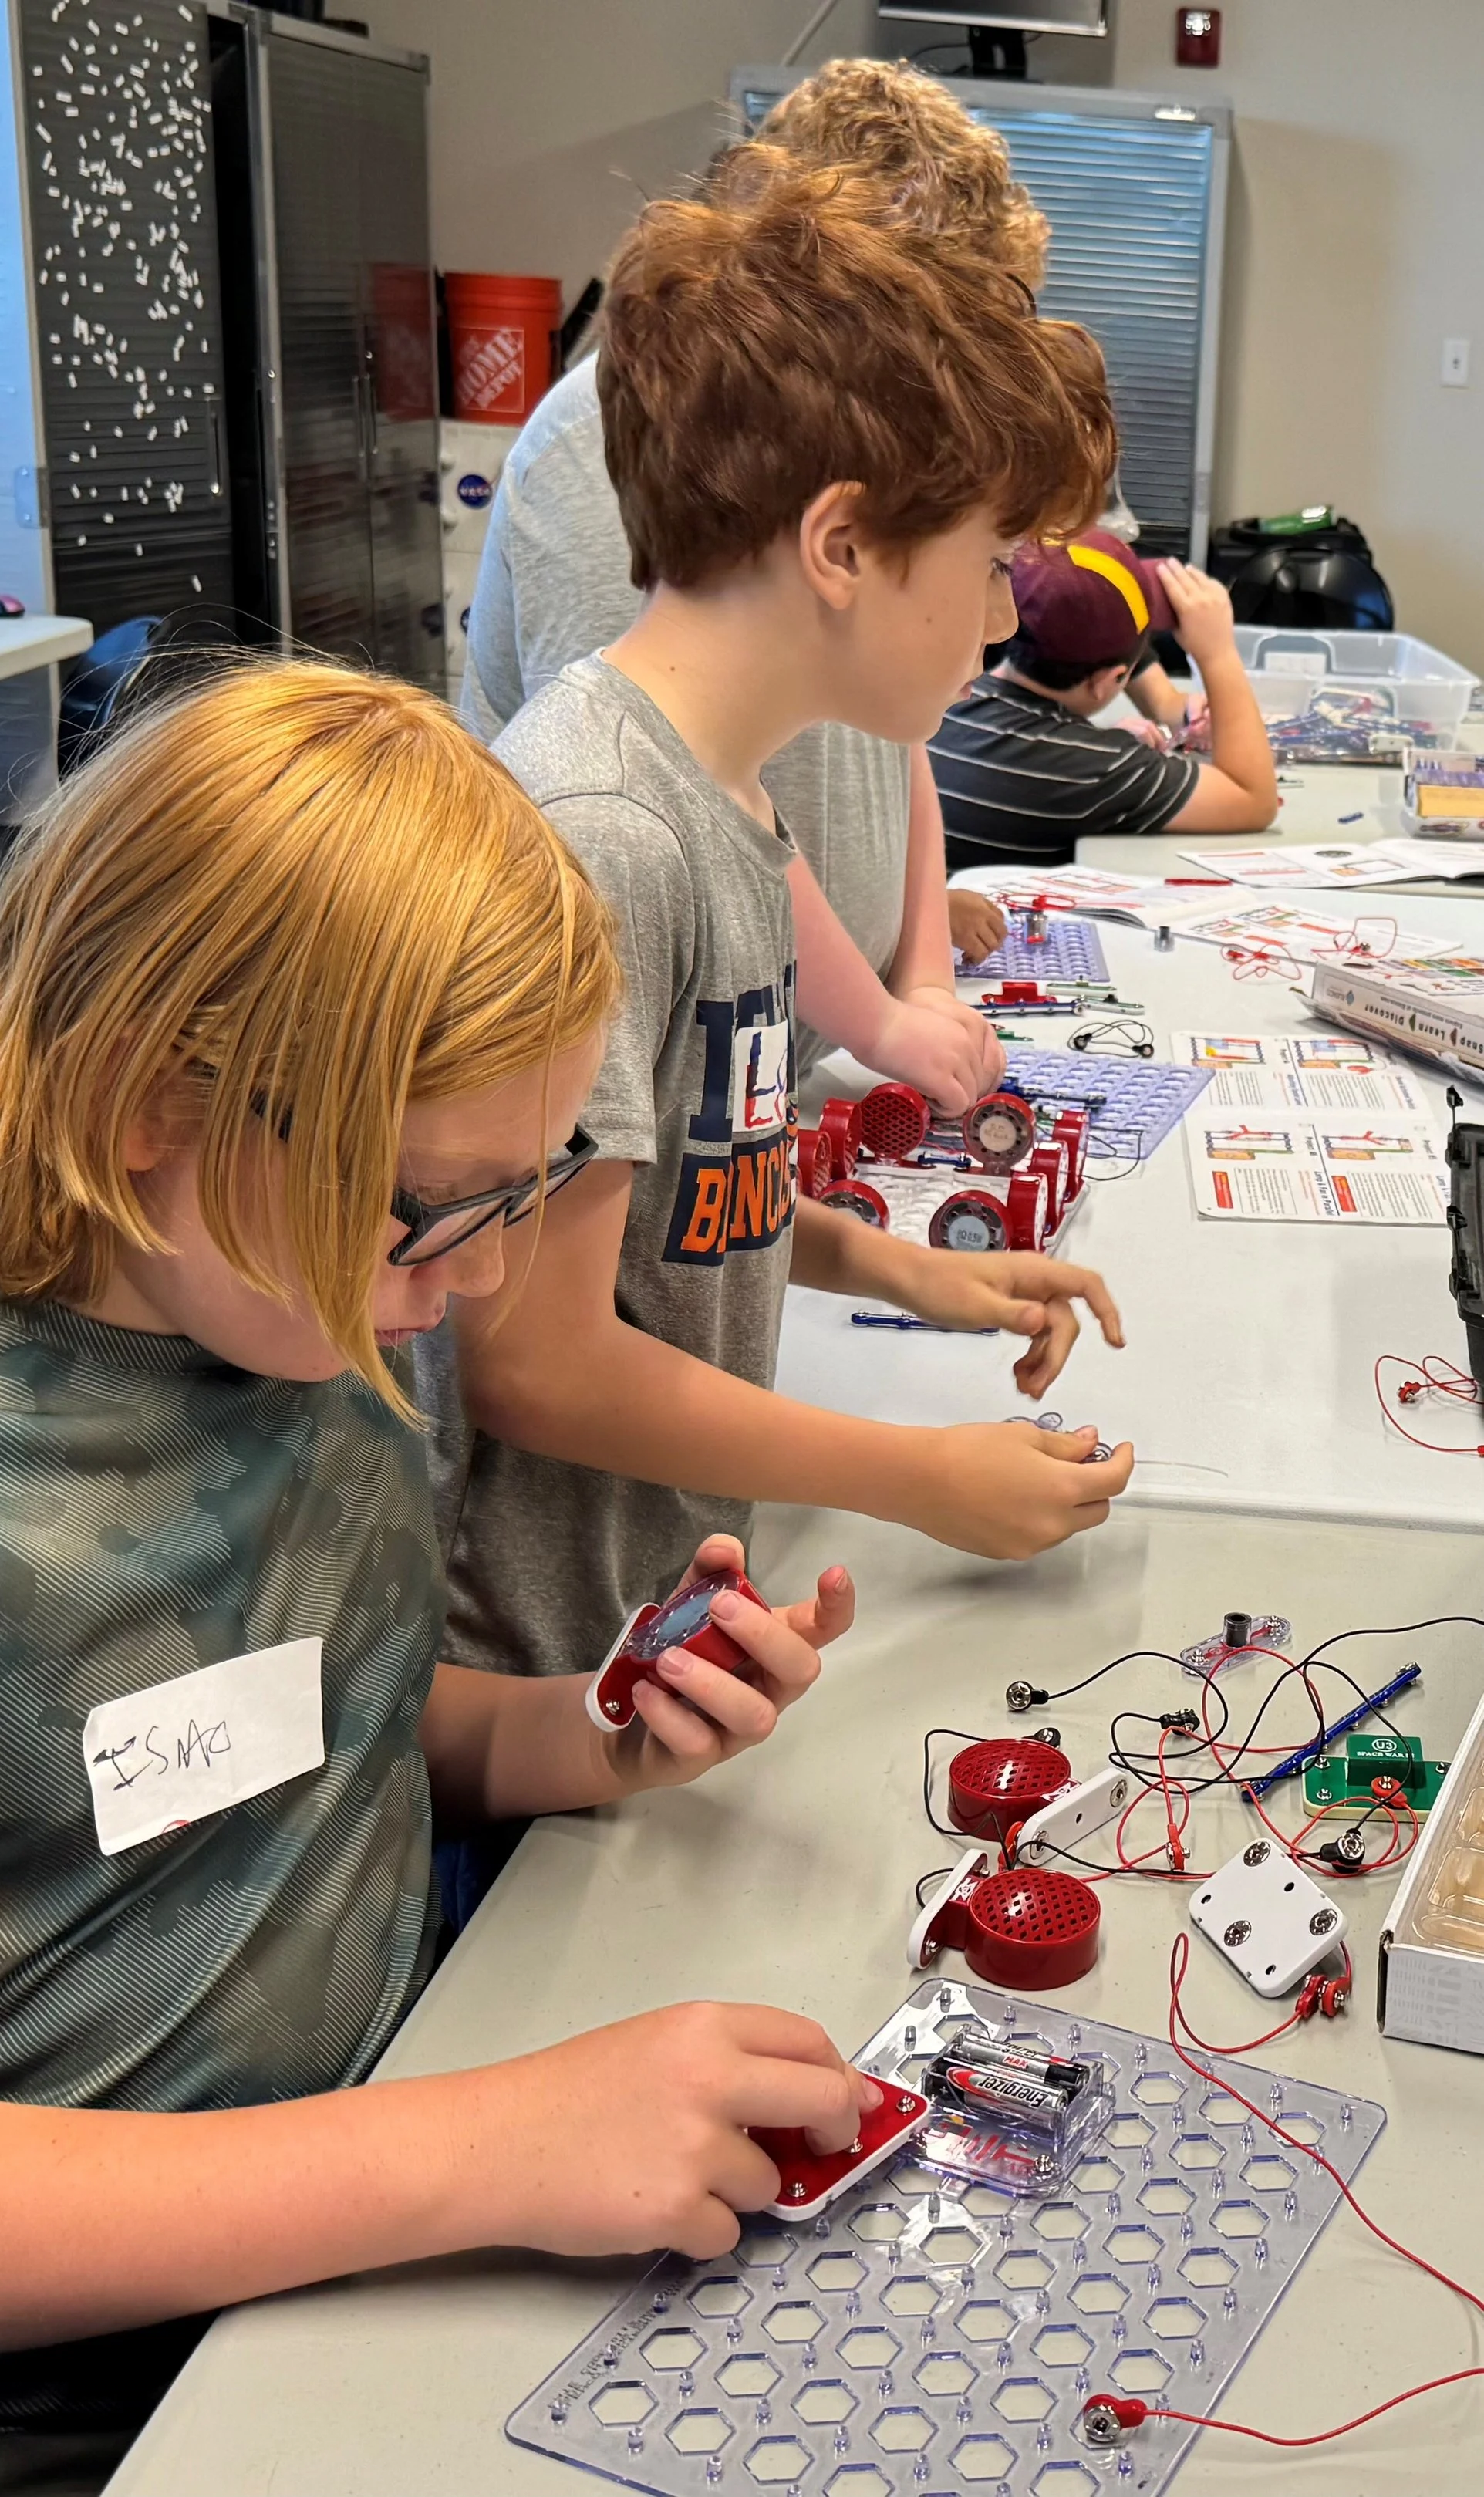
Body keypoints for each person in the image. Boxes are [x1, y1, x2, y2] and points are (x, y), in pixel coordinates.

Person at [0, 664, 879, 2497]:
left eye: (526, 1187)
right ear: (141, 1109)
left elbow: (312, 1720)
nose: (484, 1278)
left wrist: (580, 1737)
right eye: (430, 1198)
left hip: (312, 2234)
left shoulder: (320, 1309)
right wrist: (496, 2142)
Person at [433, 157, 1133, 1691]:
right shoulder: (605, 833)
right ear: (838, 544)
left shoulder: (722, 795)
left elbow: (678, 1199)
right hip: (537, 1656)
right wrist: (912, 1473)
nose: (1004, 620)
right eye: (982, 565)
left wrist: (906, 1271)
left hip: (641, 1603)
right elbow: (531, 1355)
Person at [459, 58, 1053, 1103]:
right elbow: (687, 791)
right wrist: (880, 1017)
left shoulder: (856, 453)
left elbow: (896, 737)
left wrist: (919, 971)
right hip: (678, 1073)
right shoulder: (617, 443)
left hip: (795, 1058)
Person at [929, 528, 1279, 875]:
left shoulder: (940, 701)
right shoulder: (1090, 770)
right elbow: (1252, 798)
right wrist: (1218, 654)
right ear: (1108, 681)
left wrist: (1095, 739)